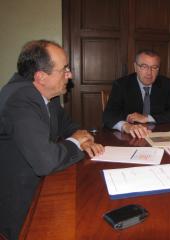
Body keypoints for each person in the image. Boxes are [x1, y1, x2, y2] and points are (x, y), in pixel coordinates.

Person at [0, 40, 104, 239]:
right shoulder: (19, 99)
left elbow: (69, 126)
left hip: (41, 185)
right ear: (41, 77)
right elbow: (46, 161)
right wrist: (76, 142)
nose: (70, 74)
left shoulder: (46, 96)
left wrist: (85, 140)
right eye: (64, 69)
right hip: (21, 206)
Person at [103, 49, 170, 138]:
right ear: (135, 67)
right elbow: (108, 116)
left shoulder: (166, 84)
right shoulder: (121, 85)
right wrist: (126, 126)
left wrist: (147, 118)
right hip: (129, 137)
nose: (149, 72)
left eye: (154, 67)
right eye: (144, 66)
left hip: (157, 135)